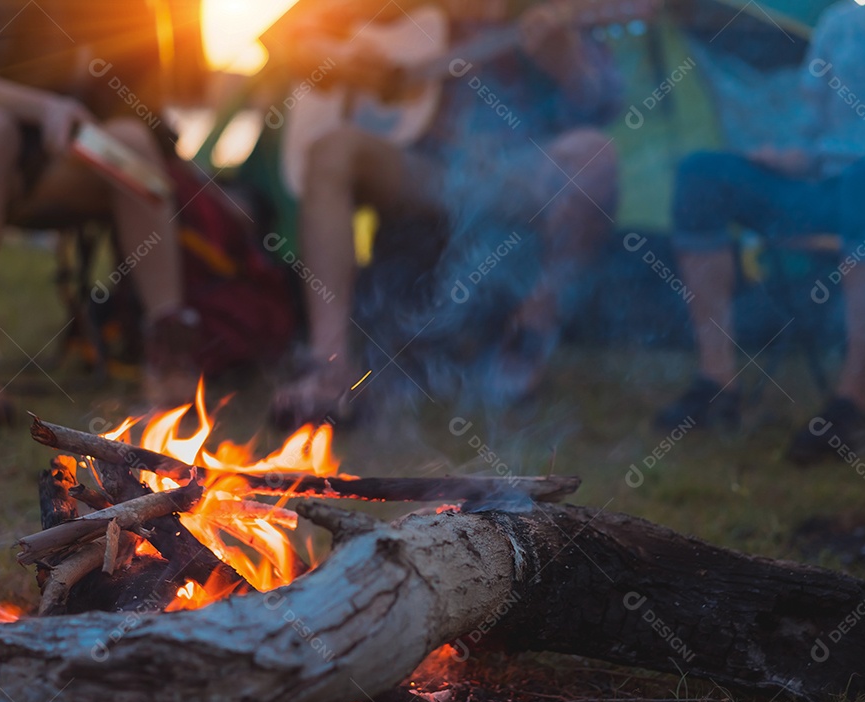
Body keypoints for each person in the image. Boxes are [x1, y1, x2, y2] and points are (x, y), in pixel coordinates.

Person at [269, 0, 648, 426]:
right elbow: (285, 36)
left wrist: (565, 57)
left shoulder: (551, 8)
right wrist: (336, 57)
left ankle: (526, 339)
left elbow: (603, 102)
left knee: (593, 157)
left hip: (512, 170)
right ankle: (329, 366)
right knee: (332, 152)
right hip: (423, 171)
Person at [655, 0, 865, 463]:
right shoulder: (843, 25)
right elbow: (813, 130)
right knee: (704, 174)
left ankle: (854, 406)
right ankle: (717, 385)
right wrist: (791, 156)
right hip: (828, 184)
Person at [0, 0, 202, 426]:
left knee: (131, 140)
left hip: (61, 165)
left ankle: (169, 344)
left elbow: (144, 111)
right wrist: (44, 108)